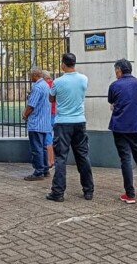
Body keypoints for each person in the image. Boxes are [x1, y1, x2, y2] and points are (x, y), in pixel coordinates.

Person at [46, 53, 94, 202]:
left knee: (61, 158)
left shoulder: (58, 82)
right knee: (83, 156)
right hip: (80, 121)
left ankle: (58, 192)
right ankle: (88, 190)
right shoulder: (83, 79)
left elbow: (51, 98)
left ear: (63, 64)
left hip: (63, 123)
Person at [108, 59, 137, 204]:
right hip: (136, 125)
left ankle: (130, 194)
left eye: (116, 70)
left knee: (125, 159)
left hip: (120, 126)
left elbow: (112, 102)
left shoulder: (114, 85)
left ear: (119, 70)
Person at [22, 68, 51, 181]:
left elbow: (31, 105)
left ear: (36, 75)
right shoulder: (45, 85)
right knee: (43, 147)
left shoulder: (37, 87)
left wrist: (25, 115)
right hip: (45, 122)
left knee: (37, 148)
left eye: (31, 75)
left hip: (36, 123)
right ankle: (45, 169)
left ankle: (38, 172)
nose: (30, 77)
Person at [42, 70, 56, 168]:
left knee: (47, 138)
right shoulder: (54, 85)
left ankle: (49, 161)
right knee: (54, 137)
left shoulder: (44, 86)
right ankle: (53, 160)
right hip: (56, 113)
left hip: (48, 113)